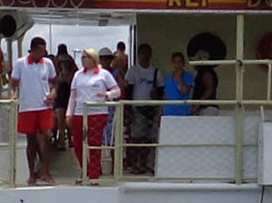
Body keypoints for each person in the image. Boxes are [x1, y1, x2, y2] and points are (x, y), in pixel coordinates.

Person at [67, 48, 121, 182]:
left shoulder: (104, 74)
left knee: (94, 143)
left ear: (93, 59)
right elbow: (73, 96)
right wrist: (69, 113)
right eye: (82, 57)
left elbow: (117, 91)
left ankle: (94, 174)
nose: (83, 59)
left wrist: (107, 95)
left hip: (98, 112)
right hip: (80, 112)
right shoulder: (78, 75)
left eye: (86, 57)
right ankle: (84, 170)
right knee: (78, 143)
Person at [10, 37, 58, 186]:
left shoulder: (48, 63)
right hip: (27, 107)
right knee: (31, 140)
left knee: (47, 136)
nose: (42, 54)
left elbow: (54, 82)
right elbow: (13, 84)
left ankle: (46, 170)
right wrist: (13, 95)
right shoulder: (20, 64)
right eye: (40, 51)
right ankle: (32, 174)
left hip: (45, 107)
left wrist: (53, 93)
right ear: (33, 50)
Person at [123, 43, 163, 175]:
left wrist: (156, 97)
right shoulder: (133, 71)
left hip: (151, 109)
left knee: (148, 138)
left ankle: (145, 163)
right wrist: (128, 111)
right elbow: (128, 92)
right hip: (137, 108)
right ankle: (135, 164)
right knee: (136, 138)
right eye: (142, 54)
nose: (145, 57)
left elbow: (161, 92)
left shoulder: (156, 72)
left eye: (147, 54)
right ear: (138, 55)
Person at [52, 56, 76, 151]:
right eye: (62, 62)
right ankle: (61, 141)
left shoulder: (73, 74)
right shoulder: (57, 74)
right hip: (59, 99)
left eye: (65, 62)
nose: (64, 64)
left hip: (69, 99)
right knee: (60, 122)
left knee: (69, 122)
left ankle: (71, 139)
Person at [162, 51, 195, 116]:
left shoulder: (189, 76)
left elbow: (185, 91)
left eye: (179, 62)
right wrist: (159, 114)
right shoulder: (168, 77)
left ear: (183, 64)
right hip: (168, 113)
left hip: (183, 113)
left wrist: (179, 78)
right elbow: (165, 96)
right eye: (175, 62)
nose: (177, 65)